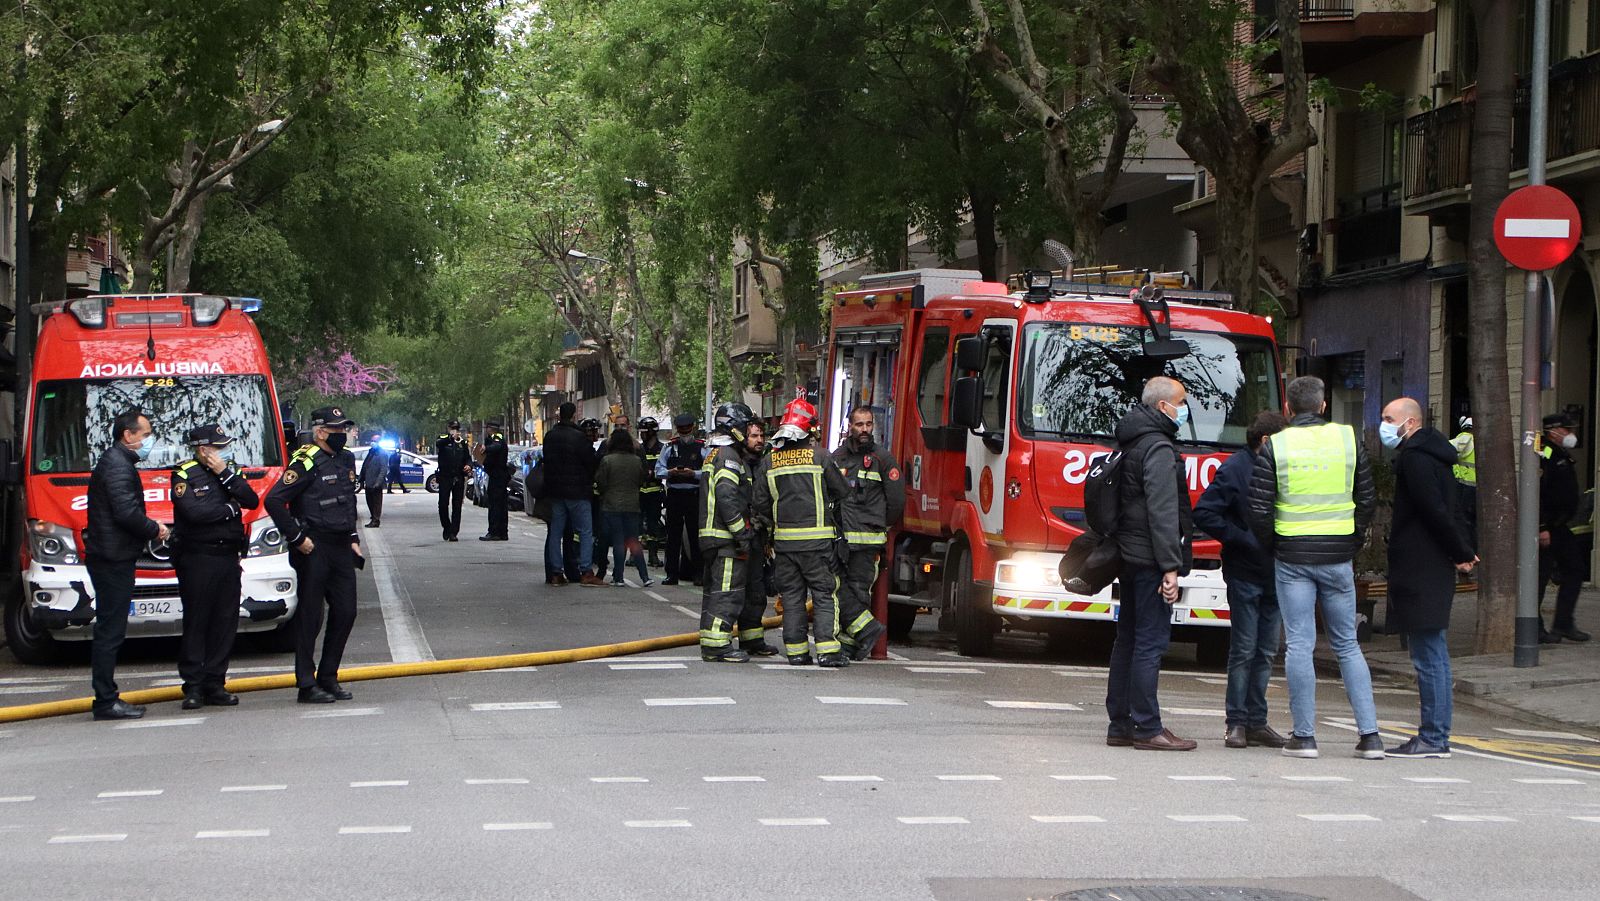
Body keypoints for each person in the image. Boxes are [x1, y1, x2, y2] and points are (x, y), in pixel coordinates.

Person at [1248, 375, 1382, 760]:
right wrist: (1352, 539)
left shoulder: (1276, 444)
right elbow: (1367, 498)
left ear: (1288, 408)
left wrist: (1277, 544)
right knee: (1348, 644)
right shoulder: (1347, 439)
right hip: (1339, 555)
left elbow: (1259, 508)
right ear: (1323, 405)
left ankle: (1304, 737)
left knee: (1300, 645)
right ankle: (1370, 736)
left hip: (1292, 557)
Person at [1103, 377, 1197, 752]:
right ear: (1163, 407)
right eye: (1182, 402)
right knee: (1150, 643)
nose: (1184, 409)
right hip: (1150, 559)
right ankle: (1147, 726)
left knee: (1127, 639)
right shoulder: (1158, 448)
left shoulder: (1132, 440)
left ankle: (1121, 723)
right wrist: (1170, 567)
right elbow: (1162, 511)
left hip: (1129, 554)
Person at [1381, 397, 1477, 759]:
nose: (1384, 424)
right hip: (1432, 562)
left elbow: (1433, 510)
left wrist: (1462, 551)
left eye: (1389, 418)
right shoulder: (1435, 456)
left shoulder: (1416, 459)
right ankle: (1435, 735)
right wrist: (1461, 549)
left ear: (1410, 423)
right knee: (1431, 651)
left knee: (1429, 654)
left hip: (1421, 564)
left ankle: (1434, 737)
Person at [1193, 410, 1288, 750]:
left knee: (1265, 651)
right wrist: (1241, 538)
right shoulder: (1235, 468)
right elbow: (1204, 512)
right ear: (1266, 441)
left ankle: (1256, 721)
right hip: (1247, 571)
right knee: (1245, 650)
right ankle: (1237, 722)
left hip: (1276, 571)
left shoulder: (1277, 467)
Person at [264, 407, 363, 704]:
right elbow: (274, 500)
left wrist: (354, 537)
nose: (341, 436)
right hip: (313, 545)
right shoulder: (305, 462)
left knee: (346, 611)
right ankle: (306, 683)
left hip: (341, 544)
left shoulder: (345, 458)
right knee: (310, 617)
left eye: (343, 430)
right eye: (336, 431)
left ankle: (329, 676)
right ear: (320, 432)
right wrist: (296, 538)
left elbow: (347, 499)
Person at [85, 409, 168, 721]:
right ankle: (106, 700)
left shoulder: (116, 461)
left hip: (111, 555)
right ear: (128, 435)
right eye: (145, 435)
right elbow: (125, 513)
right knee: (110, 630)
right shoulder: (118, 466)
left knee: (111, 628)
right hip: (112, 558)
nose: (149, 441)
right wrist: (154, 529)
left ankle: (106, 697)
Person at [754, 398, 850, 667]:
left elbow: (760, 503)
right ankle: (828, 652)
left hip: (784, 545)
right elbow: (843, 491)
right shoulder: (820, 456)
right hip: (818, 545)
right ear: (810, 429)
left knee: (793, 598)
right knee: (824, 594)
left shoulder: (770, 461)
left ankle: (796, 653)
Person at [170, 423, 259, 709]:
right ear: (204, 449)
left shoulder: (231, 472)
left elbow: (251, 500)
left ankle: (215, 682)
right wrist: (230, 510)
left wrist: (224, 473)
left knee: (224, 622)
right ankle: (193, 686)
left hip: (228, 557)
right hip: (198, 558)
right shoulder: (184, 474)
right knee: (198, 622)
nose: (224, 451)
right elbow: (194, 513)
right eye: (219, 446)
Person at [831, 405, 901, 662]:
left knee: (859, 590)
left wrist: (880, 527)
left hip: (868, 540)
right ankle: (859, 634)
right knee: (837, 589)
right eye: (859, 425)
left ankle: (851, 643)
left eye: (868, 424)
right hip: (840, 538)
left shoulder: (883, 460)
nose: (864, 430)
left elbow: (896, 502)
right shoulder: (838, 458)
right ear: (850, 426)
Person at [698, 402, 765, 662]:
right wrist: (742, 534)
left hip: (714, 538)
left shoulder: (717, 453)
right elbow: (728, 499)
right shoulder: (728, 457)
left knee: (716, 592)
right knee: (726, 593)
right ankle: (717, 645)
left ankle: (713, 641)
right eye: (746, 426)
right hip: (725, 539)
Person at [1539, 412, 1591, 643]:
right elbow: (1537, 491)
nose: (1571, 434)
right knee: (1539, 578)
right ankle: (1534, 626)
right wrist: (1541, 526)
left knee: (1575, 569)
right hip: (1547, 527)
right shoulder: (1543, 451)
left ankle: (1563, 623)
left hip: (1559, 526)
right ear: (1554, 431)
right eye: (1567, 430)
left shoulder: (1558, 452)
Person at [543, 402, 603, 586]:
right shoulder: (579, 438)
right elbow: (590, 462)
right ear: (574, 415)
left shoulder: (550, 436)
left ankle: (556, 573)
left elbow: (546, 461)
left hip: (556, 491)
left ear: (559, 415)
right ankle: (586, 571)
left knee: (556, 532)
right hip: (578, 491)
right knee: (585, 531)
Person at [595, 430, 652, 587]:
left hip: (611, 505)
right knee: (633, 541)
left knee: (619, 541)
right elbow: (641, 479)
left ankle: (618, 577)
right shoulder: (636, 461)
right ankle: (645, 576)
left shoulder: (607, 460)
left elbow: (601, 482)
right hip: (632, 505)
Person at [657, 413, 705, 586]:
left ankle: (698, 573)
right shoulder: (669, 447)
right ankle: (671, 574)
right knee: (673, 537)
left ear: (692, 428)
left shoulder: (702, 447)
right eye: (682, 429)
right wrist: (671, 472)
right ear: (677, 429)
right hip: (675, 495)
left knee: (695, 536)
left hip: (693, 495)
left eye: (688, 429)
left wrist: (694, 474)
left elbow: (708, 471)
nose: (685, 432)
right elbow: (658, 470)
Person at [637, 417, 667, 568]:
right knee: (637, 526)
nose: (641, 434)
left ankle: (653, 555)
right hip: (640, 492)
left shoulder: (662, 449)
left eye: (643, 432)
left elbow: (663, 470)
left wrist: (653, 473)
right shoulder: (638, 449)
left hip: (655, 493)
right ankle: (635, 556)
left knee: (653, 525)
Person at [435, 420, 470, 541]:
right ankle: (446, 526)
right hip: (445, 476)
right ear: (449, 428)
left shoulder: (463, 443)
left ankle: (454, 532)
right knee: (443, 504)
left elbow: (468, 458)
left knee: (457, 505)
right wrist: (450, 438)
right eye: (453, 428)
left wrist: (468, 465)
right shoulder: (443, 439)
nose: (455, 431)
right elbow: (439, 444)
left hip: (458, 477)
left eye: (457, 429)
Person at [1449, 415, 1477, 552]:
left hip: (1466, 487)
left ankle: (1466, 551)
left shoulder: (1465, 438)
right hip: (1477, 488)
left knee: (1464, 521)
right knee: (1473, 523)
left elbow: (1446, 448)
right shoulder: (1480, 440)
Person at [479, 420, 510, 542]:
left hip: (498, 476)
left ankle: (494, 531)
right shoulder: (496, 438)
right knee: (501, 505)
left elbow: (496, 447)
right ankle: (502, 532)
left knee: (495, 504)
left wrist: (486, 448)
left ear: (490, 429)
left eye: (487, 428)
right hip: (498, 475)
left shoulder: (497, 438)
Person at [359, 439, 387, 528]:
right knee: (370, 502)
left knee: (376, 503)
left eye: (374, 441)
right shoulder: (371, 452)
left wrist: (378, 482)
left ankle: (376, 520)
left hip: (375, 483)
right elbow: (365, 465)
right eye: (371, 440)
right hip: (368, 482)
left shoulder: (381, 453)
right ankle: (373, 518)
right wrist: (361, 478)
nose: (372, 442)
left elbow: (383, 469)